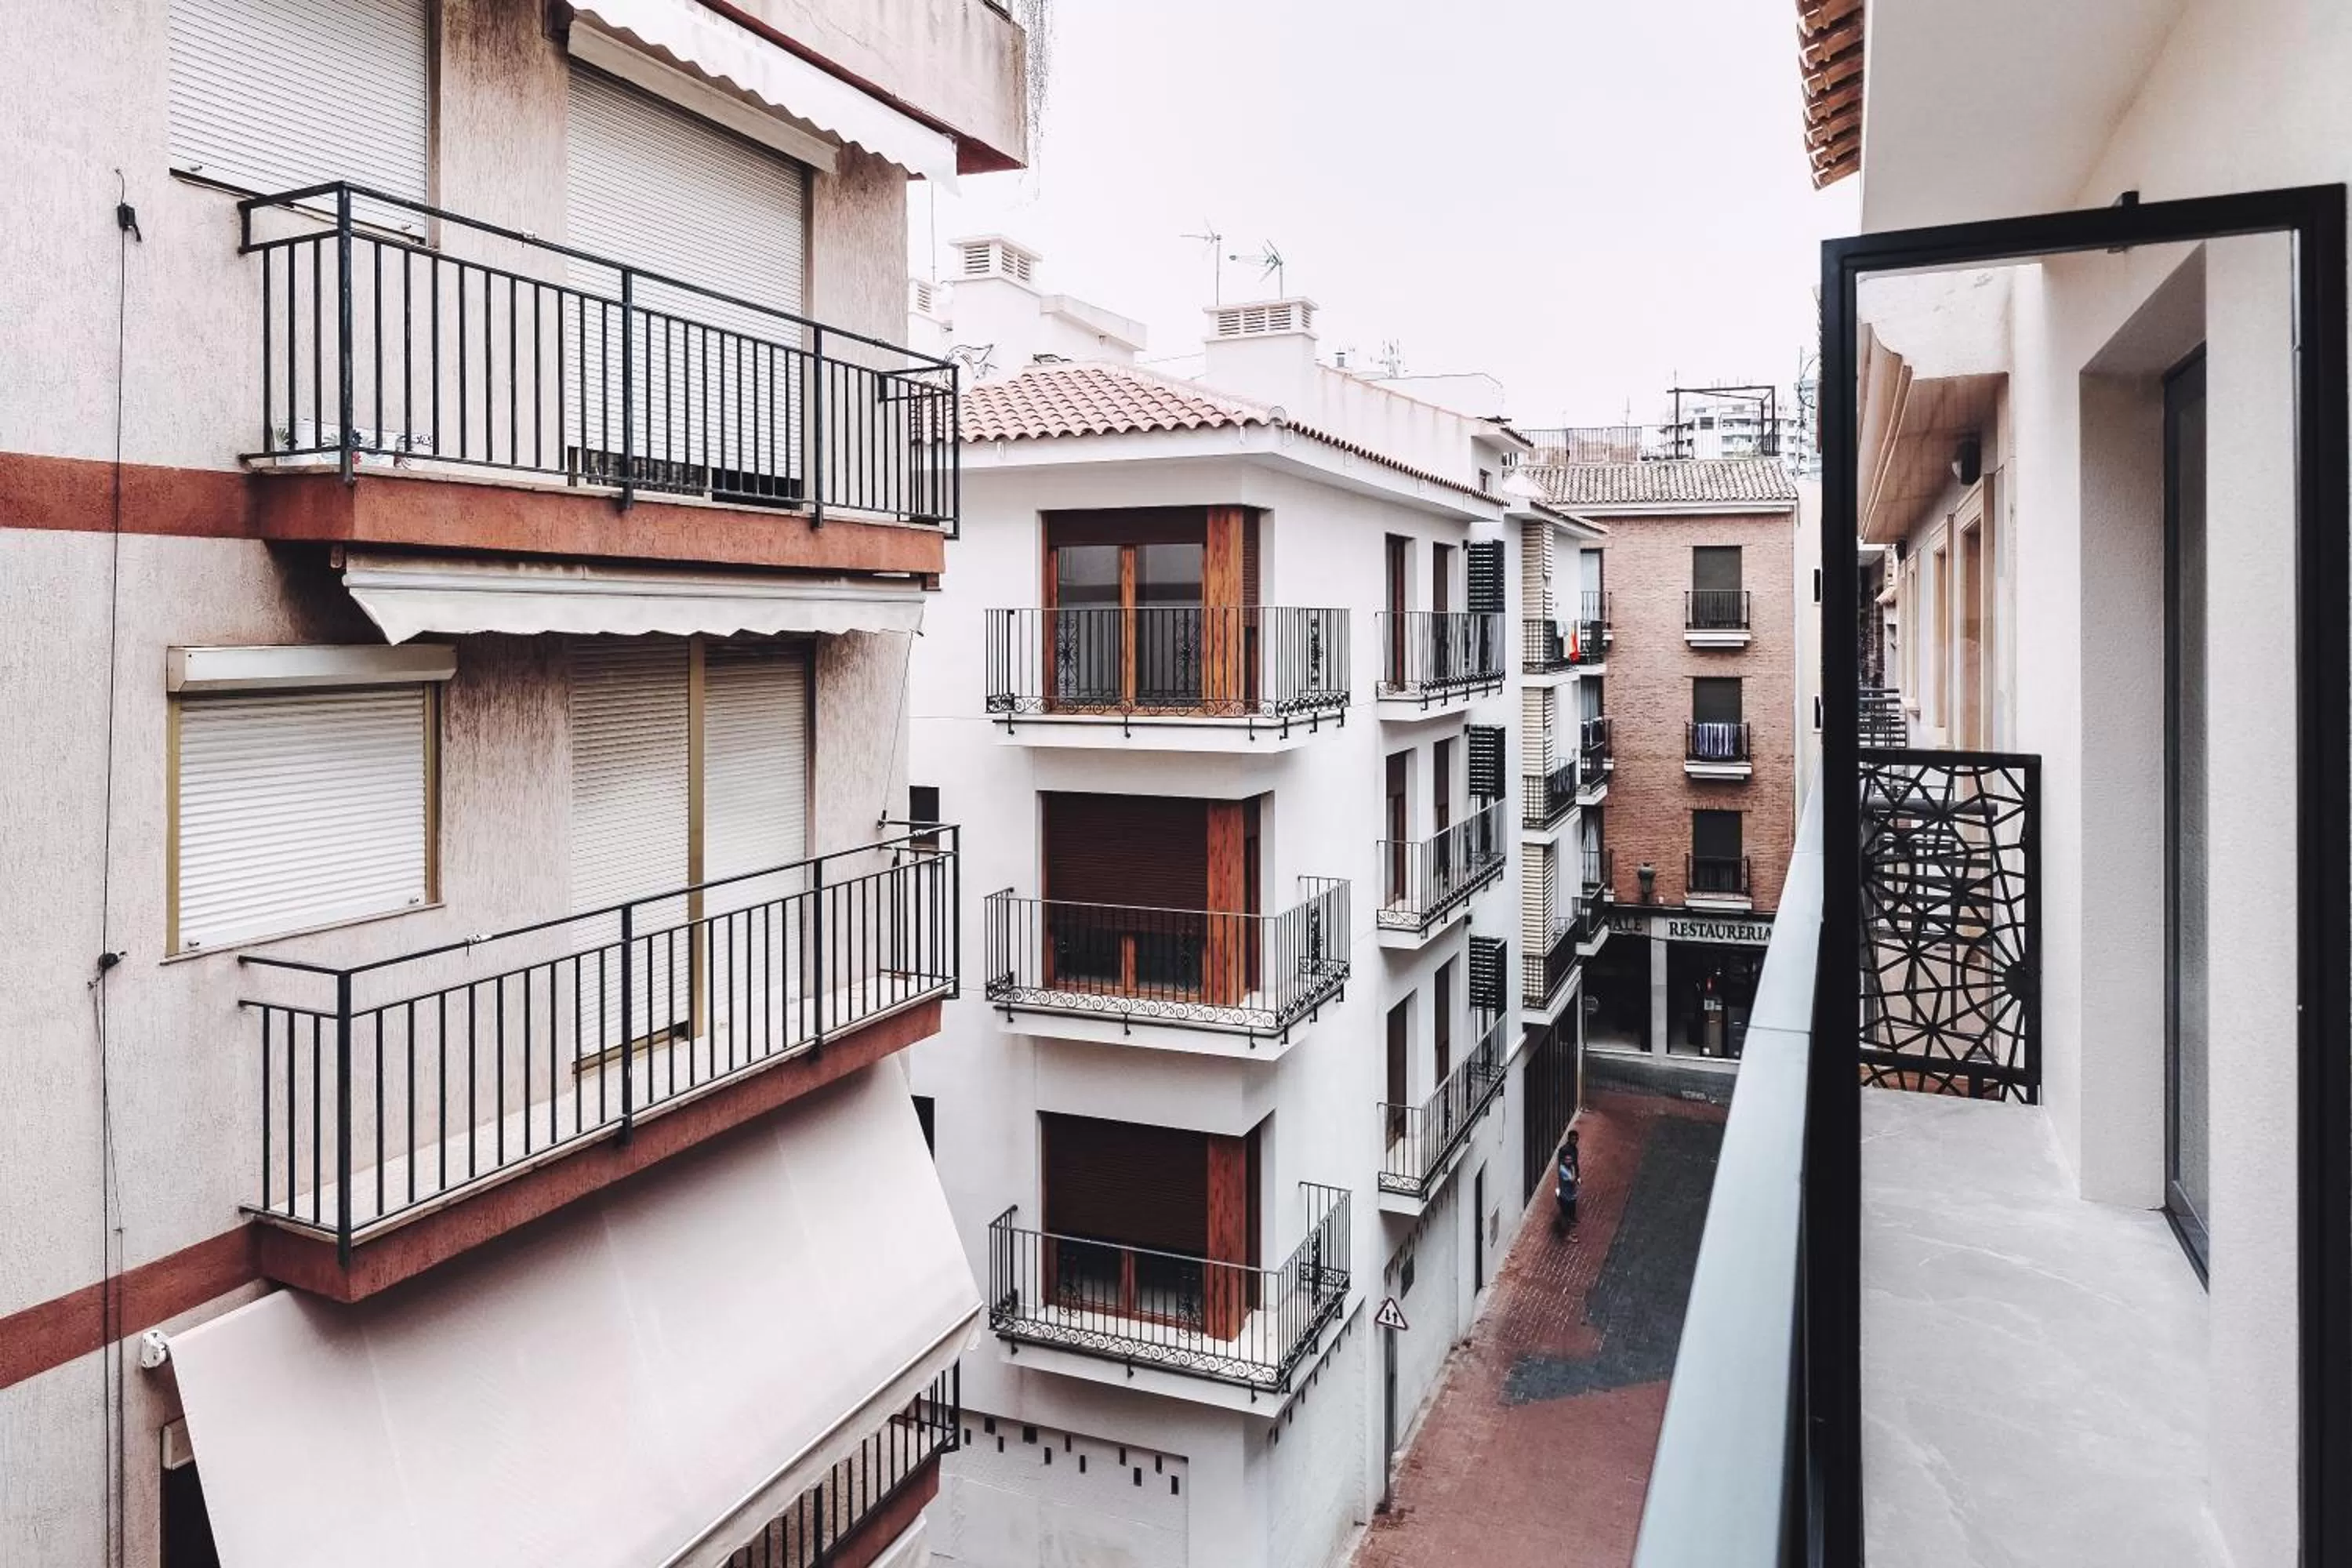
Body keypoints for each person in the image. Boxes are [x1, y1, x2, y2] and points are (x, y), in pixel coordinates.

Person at [1553, 1130, 1581, 1236]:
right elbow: (1568, 1173)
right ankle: (1566, 1224)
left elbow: (1575, 1163)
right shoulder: (1564, 1151)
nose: (1575, 1141)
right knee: (1567, 1203)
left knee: (1572, 1201)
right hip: (1567, 1182)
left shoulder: (1574, 1150)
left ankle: (1572, 1218)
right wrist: (1574, 1173)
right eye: (1573, 1139)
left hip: (1570, 1183)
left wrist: (1578, 1175)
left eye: (1576, 1139)